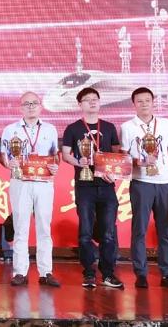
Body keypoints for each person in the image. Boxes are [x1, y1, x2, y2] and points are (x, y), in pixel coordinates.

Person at [121, 87, 168, 289]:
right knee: (139, 230)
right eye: (139, 101)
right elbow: (124, 158)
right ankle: (141, 274)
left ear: (153, 102)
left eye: (147, 100)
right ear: (134, 104)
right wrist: (140, 162)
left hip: (164, 183)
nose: (144, 104)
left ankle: (166, 274)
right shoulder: (127, 127)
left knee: (165, 231)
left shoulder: (166, 124)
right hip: (141, 183)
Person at [61, 87, 123, 289]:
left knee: (108, 232)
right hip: (85, 185)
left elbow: (117, 155)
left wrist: (114, 172)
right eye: (87, 99)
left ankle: (108, 273)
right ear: (80, 104)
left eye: (95, 98)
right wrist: (79, 162)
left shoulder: (110, 127)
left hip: (107, 185)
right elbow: (66, 154)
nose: (92, 102)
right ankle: (88, 272)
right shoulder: (73, 128)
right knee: (86, 232)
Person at [0, 92, 61, 287]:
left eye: (34, 103)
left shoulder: (50, 129)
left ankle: (46, 271)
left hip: (44, 183)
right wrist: (9, 163)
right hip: (20, 182)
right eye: (26, 104)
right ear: (21, 107)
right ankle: (20, 271)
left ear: (40, 106)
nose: (31, 106)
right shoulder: (10, 130)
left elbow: (55, 156)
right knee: (20, 227)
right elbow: (3, 156)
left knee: (44, 227)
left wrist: (55, 166)